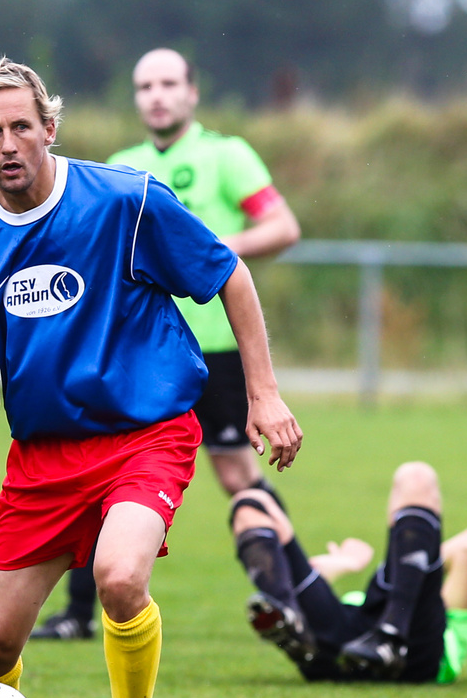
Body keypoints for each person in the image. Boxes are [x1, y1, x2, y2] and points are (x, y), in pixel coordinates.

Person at [0, 55, 303, 698]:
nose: (11, 141)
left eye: (24, 125)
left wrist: (263, 393)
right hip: (45, 459)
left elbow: (228, 273)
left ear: (50, 127)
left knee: (120, 577)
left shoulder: (125, 202)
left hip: (144, 436)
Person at [32, 47, 301, 641]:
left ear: (192, 92)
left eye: (168, 83)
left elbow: (283, 227)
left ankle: (294, 591)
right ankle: (80, 613)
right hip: (142, 356)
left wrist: (201, 246)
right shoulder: (122, 167)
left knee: (235, 473)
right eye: (145, 85)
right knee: (104, 466)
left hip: (217, 346)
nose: (156, 94)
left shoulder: (225, 156)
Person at [234, 461, 467, 683]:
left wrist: (408, 557)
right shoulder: (403, 590)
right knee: (249, 503)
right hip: (338, 643)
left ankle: (391, 636)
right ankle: (292, 620)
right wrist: (346, 564)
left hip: (413, 654)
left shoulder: (445, 627)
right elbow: (464, 545)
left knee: (416, 476)